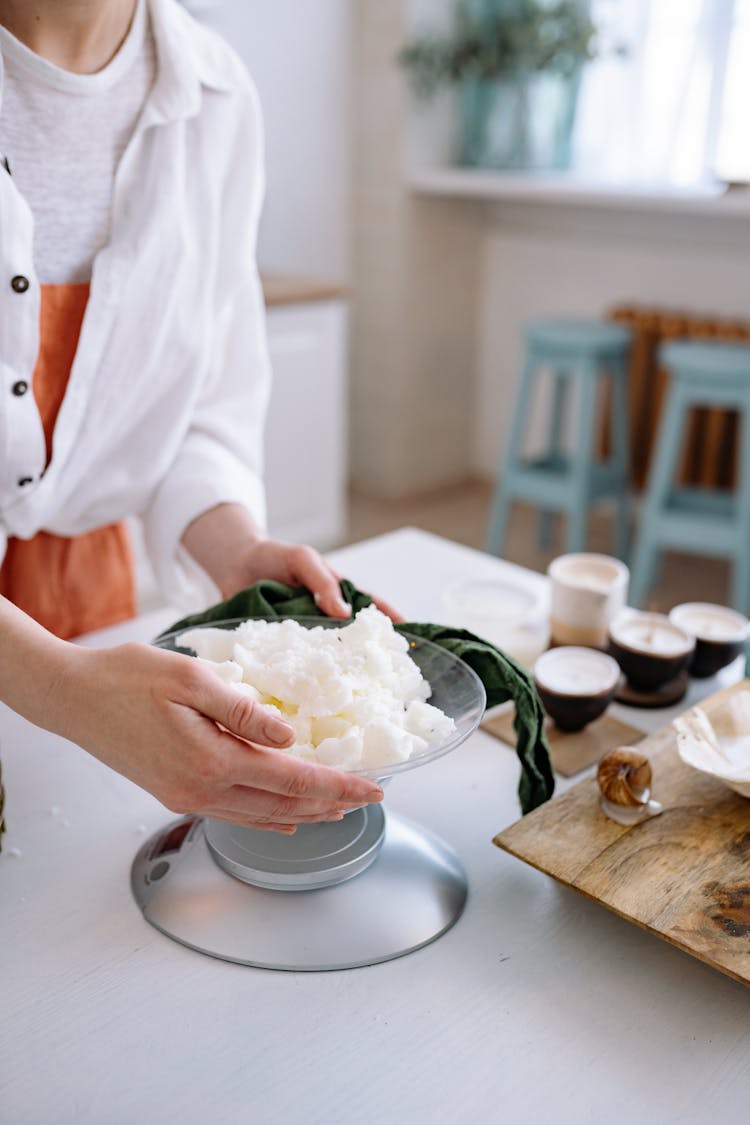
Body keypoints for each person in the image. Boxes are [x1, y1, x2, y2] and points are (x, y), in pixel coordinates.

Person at [0, 0, 388, 834]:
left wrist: (235, 548)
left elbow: (197, 407)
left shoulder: (217, 93)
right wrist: (59, 685)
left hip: (84, 597)